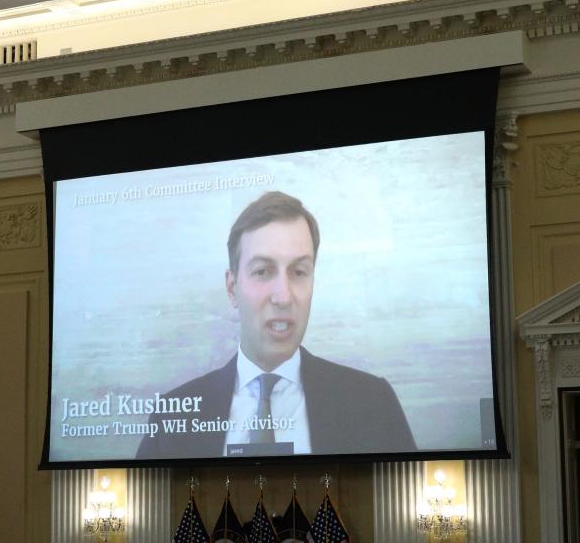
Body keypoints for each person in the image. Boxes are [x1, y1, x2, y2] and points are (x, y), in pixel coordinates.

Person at [137, 191, 414, 459]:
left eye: (298, 272)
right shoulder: (171, 415)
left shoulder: (374, 403)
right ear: (232, 288)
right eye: (262, 271)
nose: (283, 296)